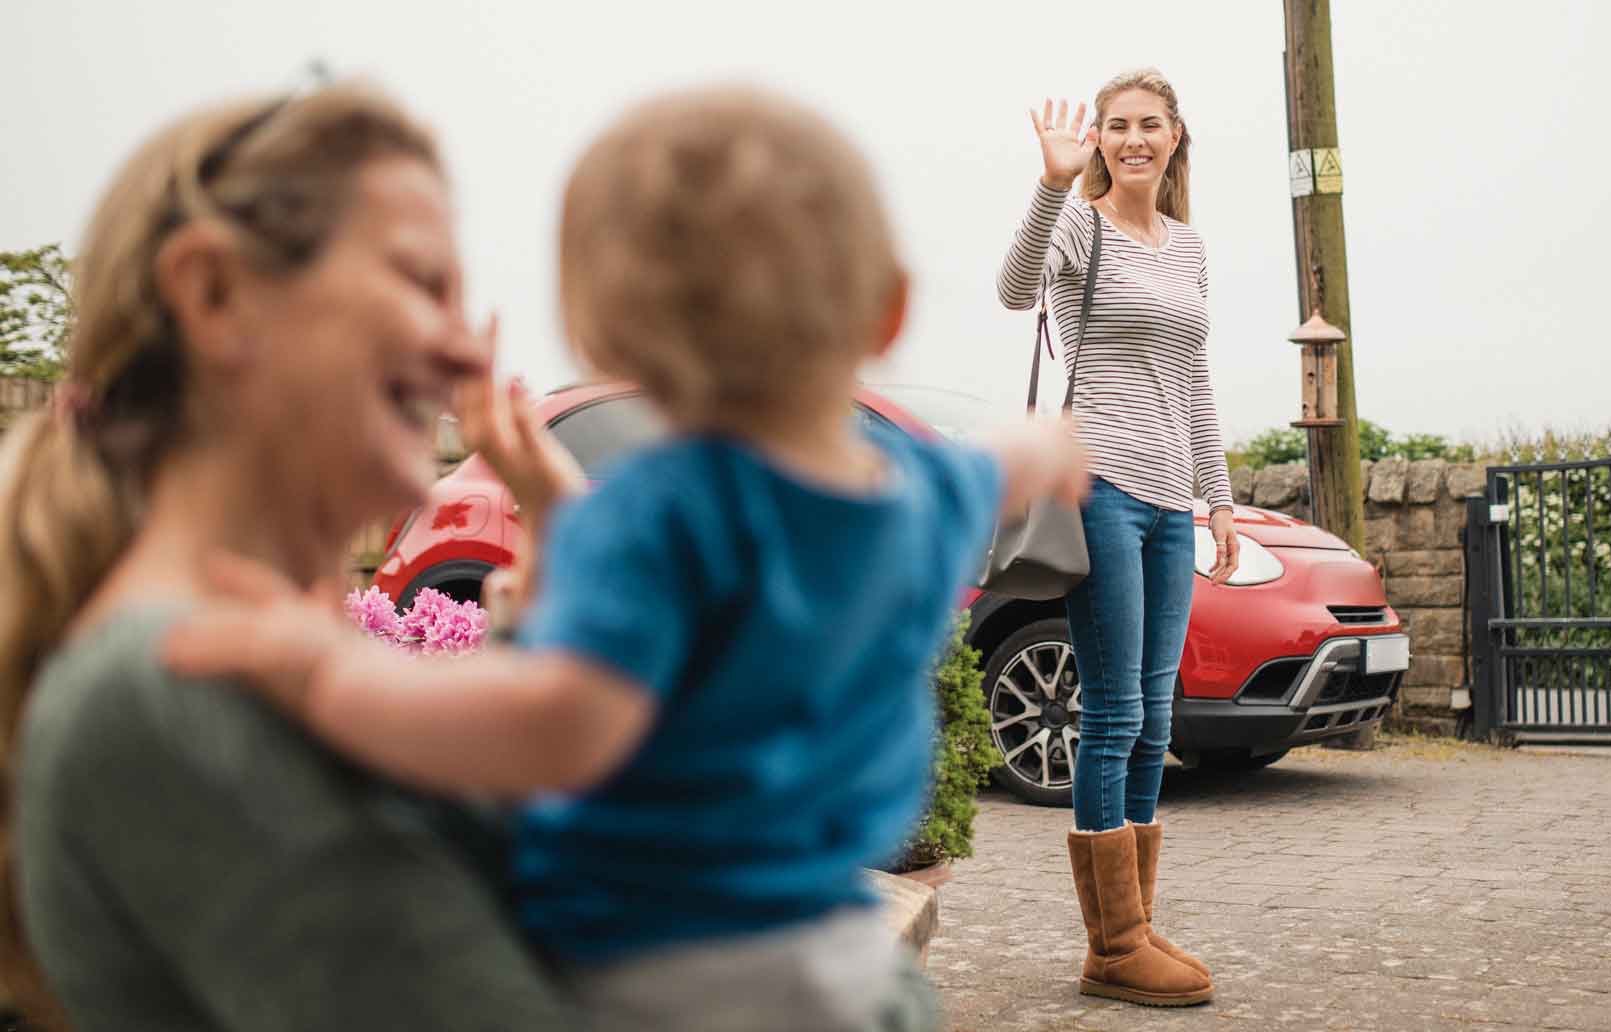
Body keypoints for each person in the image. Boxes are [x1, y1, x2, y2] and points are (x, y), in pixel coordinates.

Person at [164, 84, 1092, 1032]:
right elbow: (1002, 464)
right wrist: (1051, 446)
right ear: (890, 311)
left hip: (643, 960)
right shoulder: (916, 499)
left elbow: (559, 724)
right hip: (832, 955)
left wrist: (321, 672)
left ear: (598, 335)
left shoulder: (651, 517)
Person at [0, 85, 579, 1030]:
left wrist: (565, 558)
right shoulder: (162, 692)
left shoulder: (242, 670)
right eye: (424, 282)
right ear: (215, 294)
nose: (466, 352)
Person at [994, 68, 1231, 1008]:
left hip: (1173, 499)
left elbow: (1196, 378)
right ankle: (1116, 942)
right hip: (1101, 488)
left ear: (1176, 138)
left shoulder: (1188, 246)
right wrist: (1053, 183)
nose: (1134, 138)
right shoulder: (1079, 224)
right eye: (1116, 126)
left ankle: (1127, 930)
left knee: (1158, 717)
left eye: (1150, 125)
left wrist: (1216, 496)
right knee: (1115, 712)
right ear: (1098, 140)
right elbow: (1016, 292)